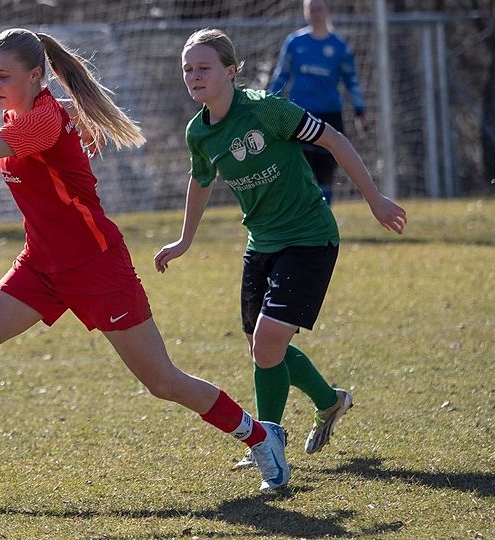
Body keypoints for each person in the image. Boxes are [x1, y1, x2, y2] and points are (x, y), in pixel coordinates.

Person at [0, 28, 290, 491]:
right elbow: (69, 112)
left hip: (97, 268)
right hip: (39, 267)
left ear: (36, 76)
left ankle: (260, 436)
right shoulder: (44, 112)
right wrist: (83, 121)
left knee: (163, 382)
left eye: (4, 76)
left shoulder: (36, 124)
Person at [155, 29, 406, 470]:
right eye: (188, 69)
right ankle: (329, 403)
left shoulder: (267, 110)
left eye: (204, 68)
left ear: (231, 71)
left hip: (309, 236)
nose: (194, 76)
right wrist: (184, 240)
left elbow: (334, 139)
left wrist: (375, 199)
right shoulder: (200, 132)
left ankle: (267, 440)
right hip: (262, 242)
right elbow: (201, 180)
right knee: (261, 348)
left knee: (269, 343)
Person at [267, 0, 367, 205]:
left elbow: (352, 81)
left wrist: (360, 110)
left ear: (327, 11)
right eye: (311, 9)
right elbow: (281, 75)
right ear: (305, 12)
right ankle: (302, 216)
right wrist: (268, 103)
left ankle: (324, 215)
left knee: (326, 171)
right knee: (301, 168)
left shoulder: (339, 46)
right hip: (300, 114)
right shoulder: (294, 42)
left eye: (319, 8)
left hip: (330, 114)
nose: (316, 13)